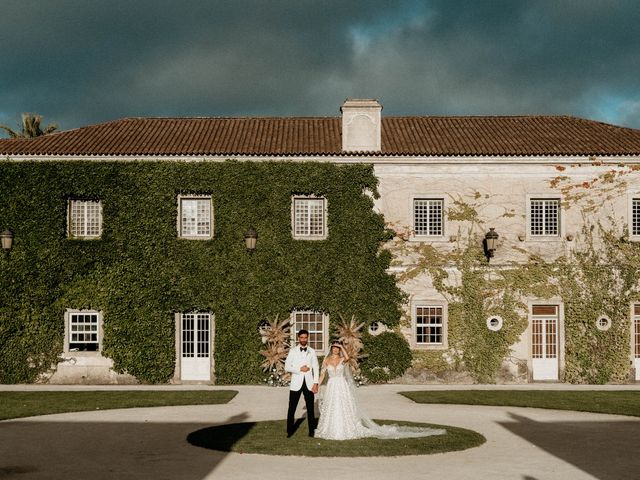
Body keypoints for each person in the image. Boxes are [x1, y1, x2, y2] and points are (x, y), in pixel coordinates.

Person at [314, 340, 446, 441]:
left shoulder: (343, 359)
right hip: (332, 385)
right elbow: (322, 375)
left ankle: (345, 429)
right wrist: (317, 385)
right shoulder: (326, 360)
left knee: (343, 407)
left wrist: (342, 346)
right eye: (334, 348)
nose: (336, 350)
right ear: (331, 349)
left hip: (342, 386)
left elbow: (348, 358)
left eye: (338, 348)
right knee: (333, 407)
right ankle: (331, 429)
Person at [284, 329, 320, 437]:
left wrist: (316, 383)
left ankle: (311, 431)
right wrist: (299, 369)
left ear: (308, 338)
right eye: (302, 337)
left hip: (309, 383)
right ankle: (290, 431)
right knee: (292, 408)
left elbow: (316, 368)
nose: (304, 339)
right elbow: (287, 367)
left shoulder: (312, 351)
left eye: (305, 337)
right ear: (298, 338)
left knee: (310, 409)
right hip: (296, 384)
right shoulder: (293, 351)